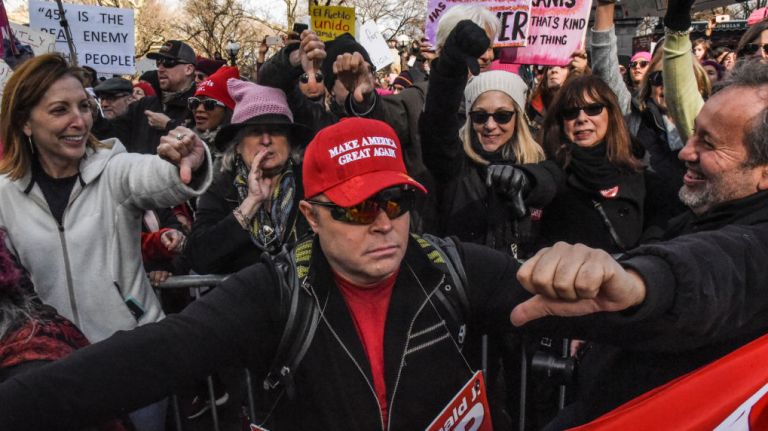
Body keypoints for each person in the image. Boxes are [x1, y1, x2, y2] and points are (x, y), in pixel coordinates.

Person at [2, 65, 768, 428]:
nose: (385, 223)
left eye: (397, 200)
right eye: (359, 206)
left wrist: (629, 282)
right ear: (312, 215)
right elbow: (149, 359)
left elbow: (619, 308)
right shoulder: (273, 292)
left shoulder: (451, 266)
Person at [0, 53, 212, 430]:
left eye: (84, 106)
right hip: (54, 372)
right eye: (60, 110)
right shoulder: (4, 195)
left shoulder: (114, 168)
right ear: (25, 122)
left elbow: (154, 176)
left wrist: (188, 163)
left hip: (133, 360)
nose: (79, 120)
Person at [185, 79, 313, 274]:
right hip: (241, 292)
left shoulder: (310, 182)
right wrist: (251, 203)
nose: (266, 140)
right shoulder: (222, 188)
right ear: (237, 145)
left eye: (276, 131)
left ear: (290, 142)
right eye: (255, 132)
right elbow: (199, 258)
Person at [94, 40, 198, 154]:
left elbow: (202, 147)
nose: (160, 69)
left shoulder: (201, 105)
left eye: (169, 62)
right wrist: (93, 115)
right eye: (158, 63)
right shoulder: (143, 105)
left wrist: (169, 126)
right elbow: (113, 136)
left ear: (188, 69)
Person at [188, 65, 239, 156]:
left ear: (228, 110)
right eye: (195, 102)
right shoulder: (187, 141)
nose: (199, 109)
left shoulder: (239, 152)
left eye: (209, 104)